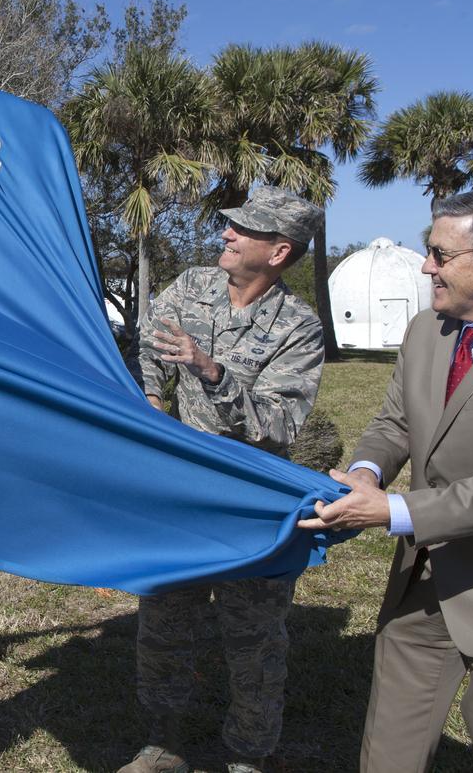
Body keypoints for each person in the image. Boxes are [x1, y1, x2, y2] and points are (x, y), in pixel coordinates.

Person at [298, 189, 473, 772]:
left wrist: (394, 512)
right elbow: (396, 422)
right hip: (419, 588)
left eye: (439, 254)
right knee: (387, 758)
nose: (426, 266)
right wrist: (364, 471)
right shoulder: (428, 329)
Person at [120, 186, 326, 773]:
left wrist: (212, 371)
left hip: (252, 505)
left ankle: (248, 754)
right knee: (164, 618)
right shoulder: (190, 287)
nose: (226, 234)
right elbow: (149, 351)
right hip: (179, 494)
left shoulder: (299, 328)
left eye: (243, 230)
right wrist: (154, 399)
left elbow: (277, 421)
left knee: (254, 637)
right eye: (229, 225)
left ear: (279, 251)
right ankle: (164, 743)